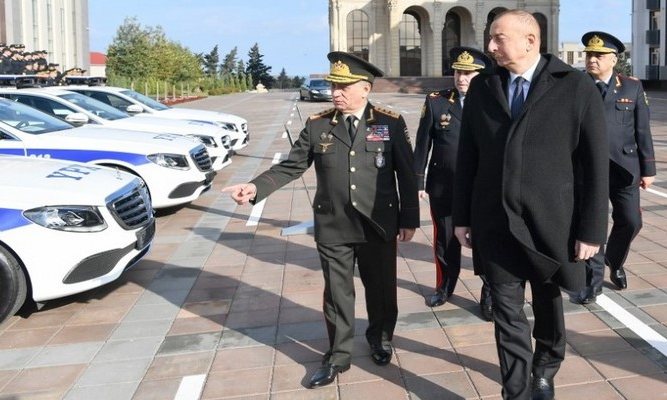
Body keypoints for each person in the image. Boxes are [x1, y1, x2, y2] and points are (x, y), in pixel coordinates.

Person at [222, 51, 419, 388]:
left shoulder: (390, 122)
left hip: (378, 223)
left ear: (365, 89)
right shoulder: (318, 126)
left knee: (382, 290)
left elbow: (407, 174)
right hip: (333, 225)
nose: (335, 92)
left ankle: (380, 339)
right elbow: (291, 166)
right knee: (338, 294)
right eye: (333, 86)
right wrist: (255, 187)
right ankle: (338, 355)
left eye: (343, 86)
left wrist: (409, 218)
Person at [452, 10, 609, 400]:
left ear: (529, 41)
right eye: (490, 38)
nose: (490, 46)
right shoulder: (484, 87)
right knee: (506, 313)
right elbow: (467, 158)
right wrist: (462, 217)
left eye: (498, 38)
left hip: (552, 222)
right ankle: (517, 391)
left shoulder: (573, 86)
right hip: (495, 221)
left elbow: (594, 163)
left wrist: (591, 231)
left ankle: (547, 364)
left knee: (547, 303)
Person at [571, 31, 657, 304]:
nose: (592, 60)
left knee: (631, 221)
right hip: (586, 168)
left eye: (598, 55)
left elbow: (642, 130)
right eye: (588, 55)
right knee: (590, 223)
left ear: (613, 59)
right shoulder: (576, 86)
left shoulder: (631, 87)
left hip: (623, 165)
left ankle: (615, 260)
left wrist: (648, 168)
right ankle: (591, 283)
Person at [414, 46, 493, 320]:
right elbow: (423, 143)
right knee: (445, 240)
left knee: (485, 241)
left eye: (468, 73)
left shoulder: (493, 101)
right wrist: (419, 182)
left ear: (481, 75)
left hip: (481, 187)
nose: (461, 78)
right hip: (444, 185)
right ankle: (445, 286)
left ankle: (489, 292)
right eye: (458, 72)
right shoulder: (437, 101)